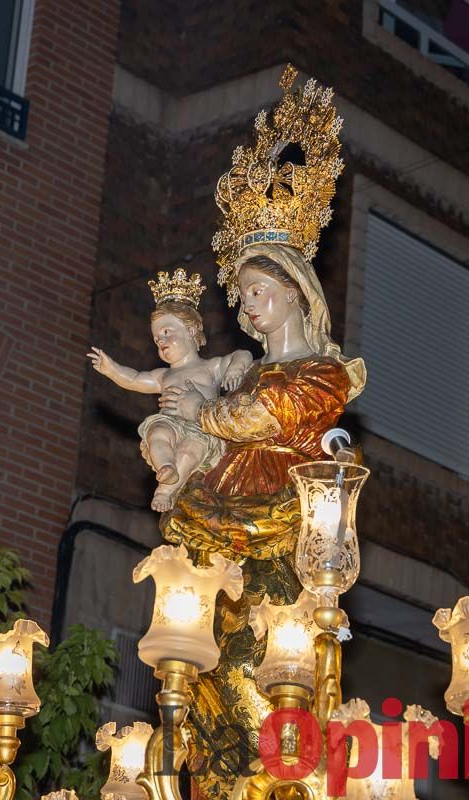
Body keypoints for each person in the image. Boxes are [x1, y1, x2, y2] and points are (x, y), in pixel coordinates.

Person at [154, 244, 365, 798]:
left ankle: (274, 768)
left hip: (281, 517)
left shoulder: (322, 373)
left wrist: (198, 413)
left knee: (267, 653)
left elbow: (261, 417)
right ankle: (221, 770)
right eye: (241, 295)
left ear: (293, 291)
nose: (246, 307)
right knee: (206, 658)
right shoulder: (238, 375)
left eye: (256, 291)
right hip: (218, 513)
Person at [88, 269, 253, 511]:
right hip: (170, 423)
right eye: (156, 339)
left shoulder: (210, 367)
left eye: (167, 333)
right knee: (156, 434)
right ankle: (166, 467)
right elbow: (134, 379)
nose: (161, 341)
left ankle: (166, 489)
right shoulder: (163, 375)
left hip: (200, 430)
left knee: (189, 451)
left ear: (191, 331)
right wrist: (112, 370)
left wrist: (234, 371)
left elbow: (243, 354)